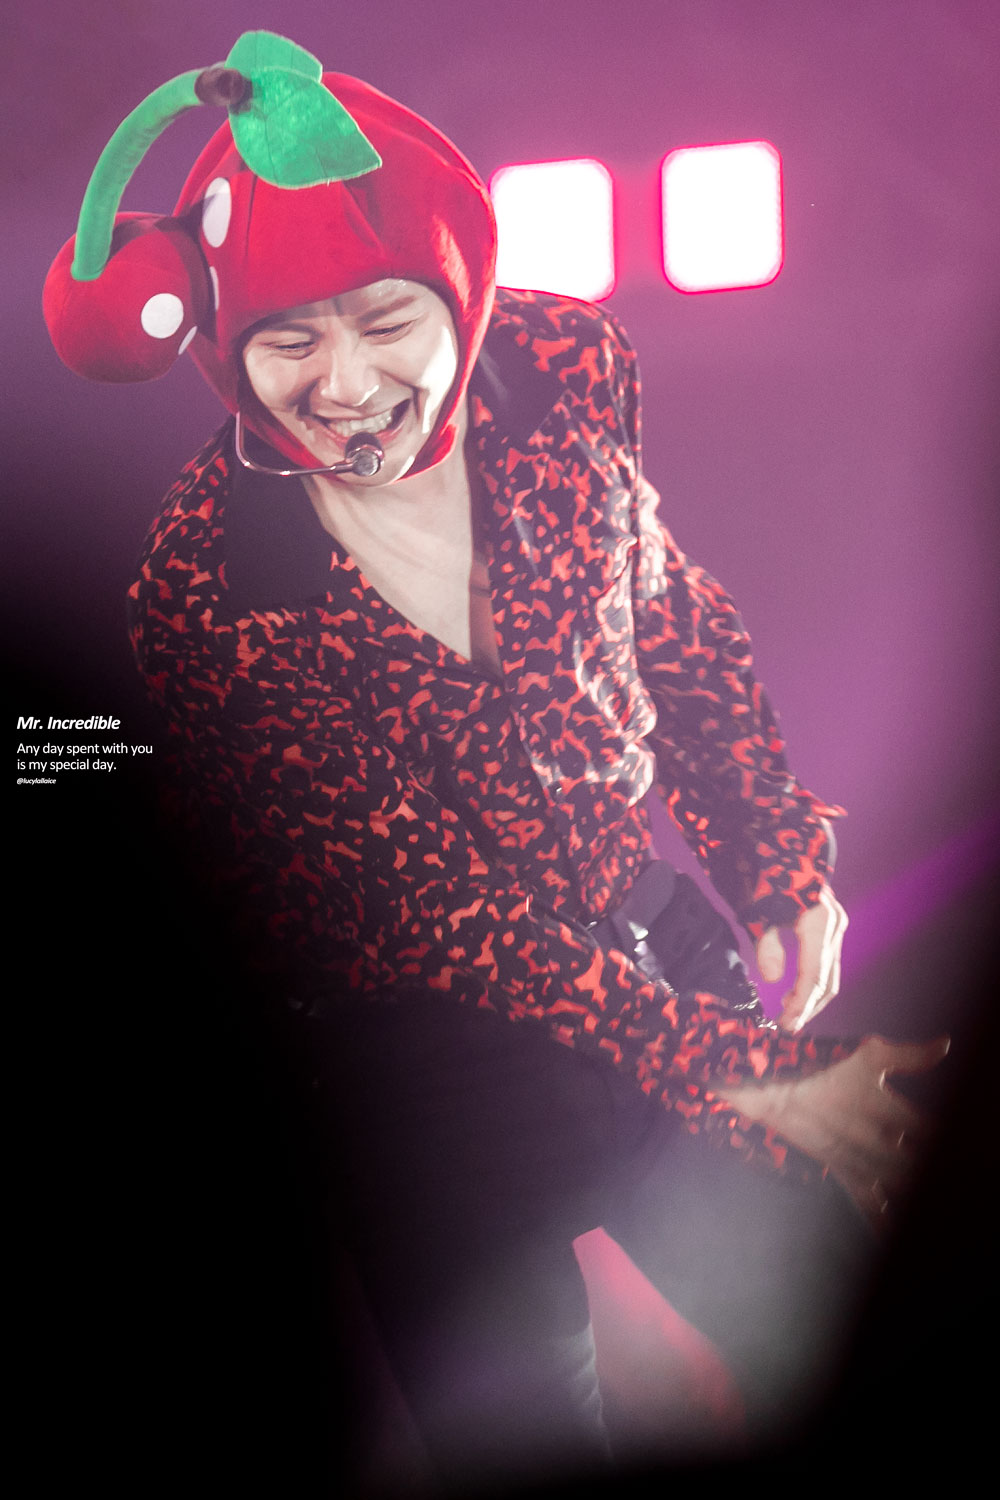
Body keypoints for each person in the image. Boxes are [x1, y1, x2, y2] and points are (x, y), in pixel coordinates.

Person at [44, 30, 945, 1492]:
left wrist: (770, 848)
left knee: (835, 1280)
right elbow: (436, 911)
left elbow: (662, 611)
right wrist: (726, 1066)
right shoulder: (206, 589)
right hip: (415, 1065)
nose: (344, 383)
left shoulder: (564, 363)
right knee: (529, 1420)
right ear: (217, 344)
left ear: (458, 289)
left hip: (632, 939)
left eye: (382, 318)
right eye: (287, 340)